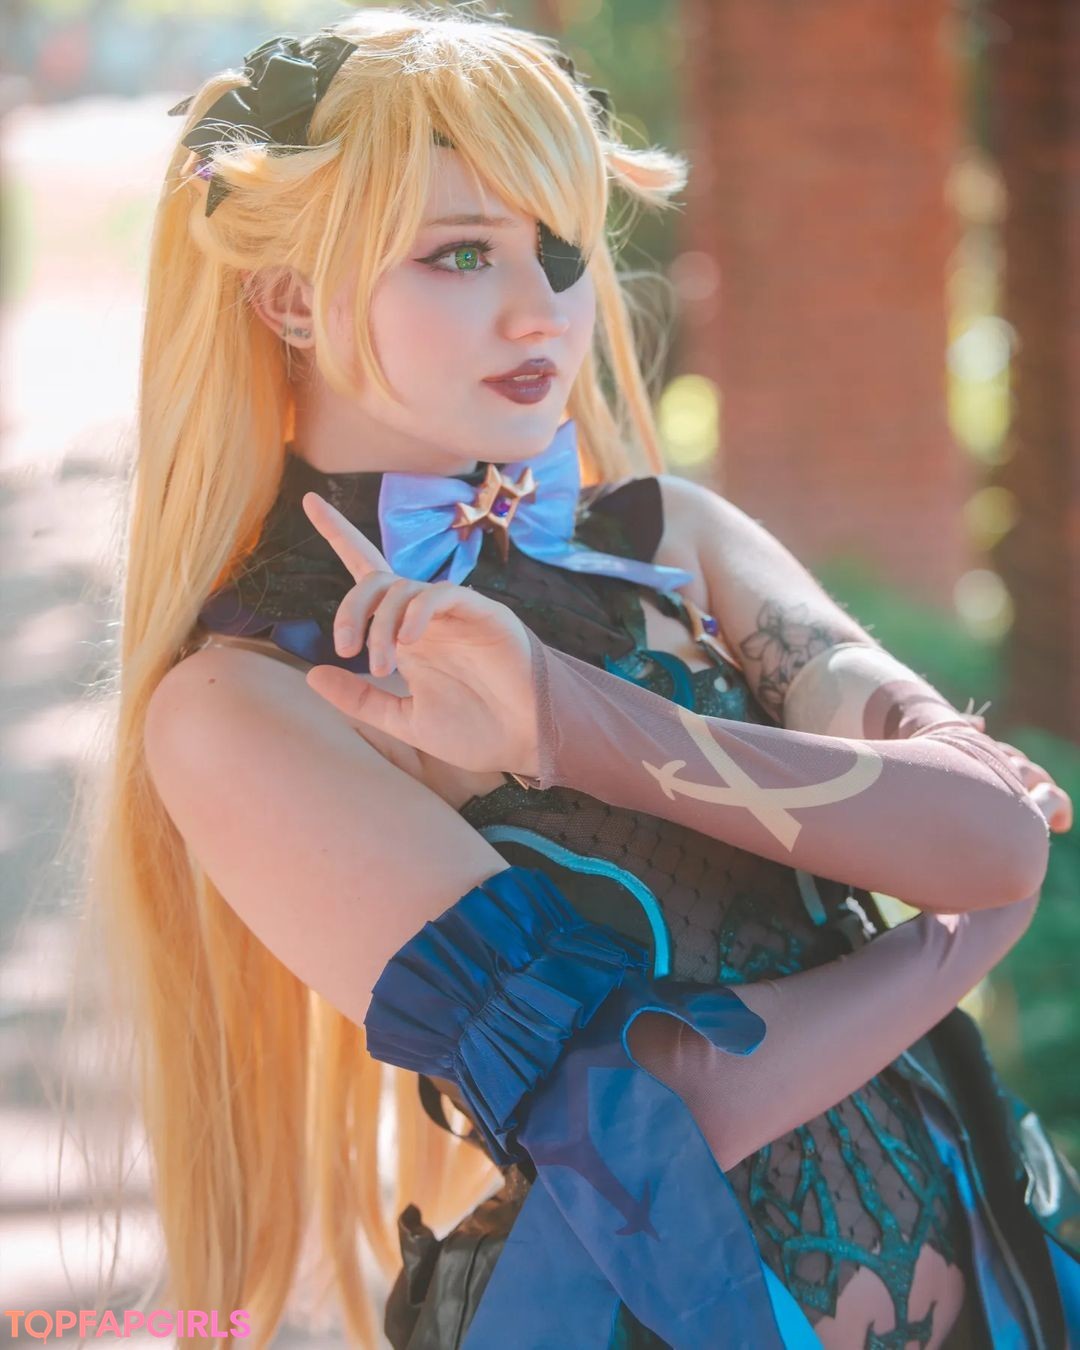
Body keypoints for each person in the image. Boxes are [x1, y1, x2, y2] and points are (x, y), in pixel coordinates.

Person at [86, 5, 1079, 1346]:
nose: (539, 311)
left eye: (559, 251)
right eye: (458, 252)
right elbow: (637, 1122)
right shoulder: (238, 703)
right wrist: (952, 938)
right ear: (293, 297)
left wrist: (569, 719)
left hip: (1006, 1271)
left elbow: (990, 830)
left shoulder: (672, 541)